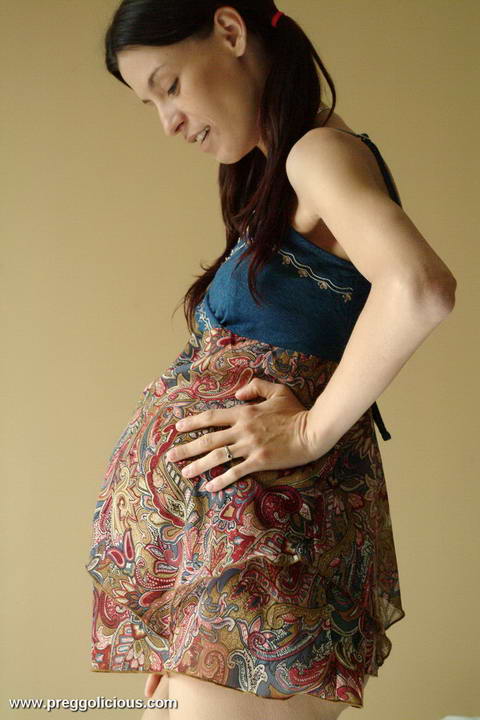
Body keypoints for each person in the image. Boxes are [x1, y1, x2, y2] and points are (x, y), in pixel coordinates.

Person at [85, 2, 457, 719]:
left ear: (230, 32)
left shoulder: (316, 153)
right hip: (222, 571)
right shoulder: (274, 179)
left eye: (169, 85)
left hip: (257, 569)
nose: (168, 121)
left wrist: (310, 430)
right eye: (149, 104)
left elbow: (419, 287)